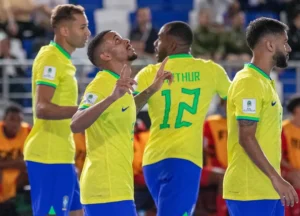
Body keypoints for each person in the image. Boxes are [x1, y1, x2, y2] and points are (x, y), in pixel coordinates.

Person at [70, 30, 172, 216]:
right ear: (106, 55)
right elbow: (76, 123)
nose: (126, 40)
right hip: (105, 187)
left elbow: (125, 108)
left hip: (118, 187)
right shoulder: (101, 84)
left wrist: (151, 90)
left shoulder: (120, 84)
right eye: (117, 40)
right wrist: (111, 97)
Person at [134, 21, 231, 216]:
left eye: (159, 39)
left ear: (171, 45)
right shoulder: (210, 70)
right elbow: (236, 101)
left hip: (152, 161)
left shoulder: (149, 73)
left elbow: (125, 108)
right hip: (185, 159)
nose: (154, 43)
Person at [223, 17, 298, 216]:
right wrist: (277, 178)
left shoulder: (264, 82)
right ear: (270, 45)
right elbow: (246, 137)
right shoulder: (249, 82)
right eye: (285, 42)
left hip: (267, 190)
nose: (289, 48)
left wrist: (275, 180)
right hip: (250, 191)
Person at [23, 4, 90, 216]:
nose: (88, 32)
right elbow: (42, 108)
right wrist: (84, 110)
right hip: (48, 156)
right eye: (82, 27)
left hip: (62, 155)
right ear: (64, 30)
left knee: (77, 213)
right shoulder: (51, 58)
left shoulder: (62, 59)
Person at [0, 105, 31, 216]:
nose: (15, 123)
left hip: (19, 177)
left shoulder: (27, 131)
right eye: (12, 119)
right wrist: (17, 163)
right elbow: (21, 163)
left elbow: (32, 160)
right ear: (4, 120)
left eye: (19, 120)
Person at [202, 99, 228, 216]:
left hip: (238, 167)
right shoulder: (211, 123)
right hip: (214, 167)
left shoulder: (245, 124)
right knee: (224, 176)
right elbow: (206, 148)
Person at [281, 94, 300, 216]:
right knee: (297, 178)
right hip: (286, 170)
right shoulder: (284, 128)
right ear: (296, 109)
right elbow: (279, 156)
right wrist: (292, 169)